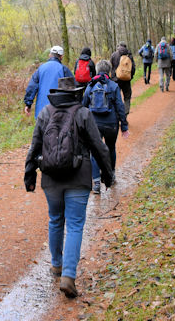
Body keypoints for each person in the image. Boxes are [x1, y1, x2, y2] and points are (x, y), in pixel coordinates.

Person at [24, 77, 114, 299]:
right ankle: (68, 276)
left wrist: (29, 174)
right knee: (74, 225)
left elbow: (35, 146)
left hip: (51, 179)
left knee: (55, 219)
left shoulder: (45, 113)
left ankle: (56, 264)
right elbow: (99, 147)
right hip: (78, 178)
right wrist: (107, 174)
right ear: (76, 93)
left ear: (57, 93)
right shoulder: (83, 113)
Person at [82, 60, 128, 194]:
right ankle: (111, 176)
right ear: (109, 71)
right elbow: (120, 107)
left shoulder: (90, 85)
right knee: (111, 148)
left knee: (95, 152)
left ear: (97, 70)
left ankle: (96, 183)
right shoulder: (114, 86)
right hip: (111, 124)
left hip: (94, 125)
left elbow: (83, 105)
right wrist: (124, 126)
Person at [24, 45, 73, 118]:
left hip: (42, 111)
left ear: (50, 55)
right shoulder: (64, 69)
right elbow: (71, 90)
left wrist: (28, 104)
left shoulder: (40, 69)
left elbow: (32, 87)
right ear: (61, 57)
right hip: (59, 111)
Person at [110, 41, 136, 114]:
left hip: (116, 80)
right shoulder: (129, 55)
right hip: (126, 80)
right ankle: (125, 113)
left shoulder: (114, 55)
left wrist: (112, 78)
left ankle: (117, 114)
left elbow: (111, 67)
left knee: (116, 98)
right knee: (127, 97)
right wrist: (130, 76)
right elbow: (133, 68)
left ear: (118, 46)